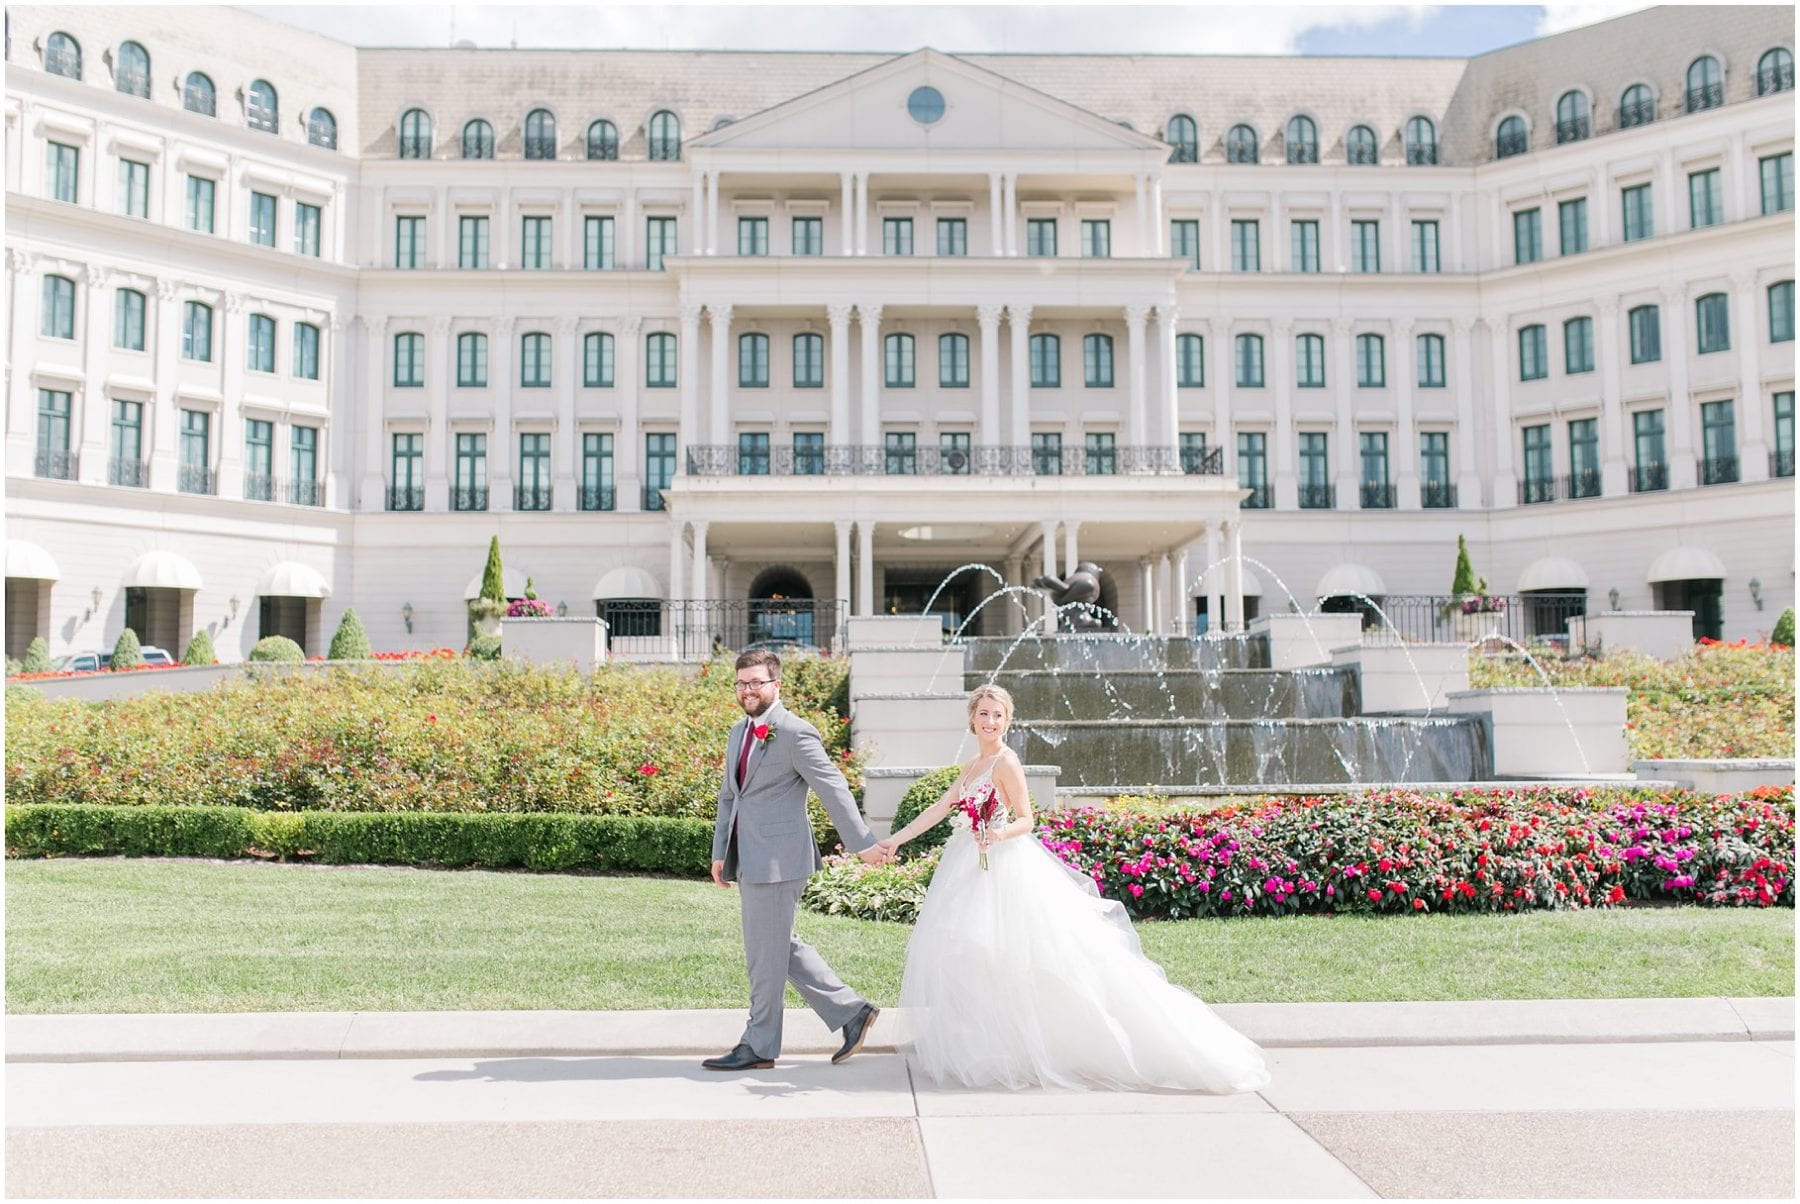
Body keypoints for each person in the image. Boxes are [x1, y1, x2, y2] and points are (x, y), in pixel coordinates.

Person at [878, 684, 1272, 1093]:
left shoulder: (1006, 763)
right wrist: (897, 839)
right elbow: (941, 807)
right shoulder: (973, 765)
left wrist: (997, 834)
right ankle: (990, 1046)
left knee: (1029, 956)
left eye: (998, 715)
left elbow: (1028, 820)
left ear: (1008, 720)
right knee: (976, 957)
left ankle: (1045, 1046)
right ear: (972, 719)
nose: (990, 721)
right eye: (984, 714)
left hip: (1004, 865)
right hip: (970, 865)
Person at [704, 649, 890, 1072]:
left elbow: (832, 788)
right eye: (741, 683)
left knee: (762, 953)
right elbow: (730, 797)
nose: (748, 690)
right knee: (775, 948)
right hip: (747, 856)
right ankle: (852, 1012)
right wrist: (720, 852)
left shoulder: (795, 733)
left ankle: (759, 1044)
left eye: (756, 683)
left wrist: (861, 843)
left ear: (777, 686)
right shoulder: (739, 732)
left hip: (779, 859)